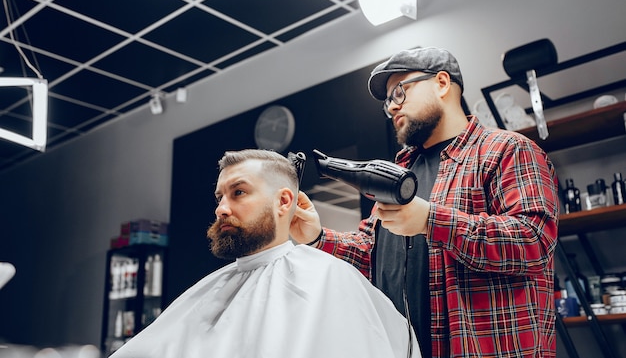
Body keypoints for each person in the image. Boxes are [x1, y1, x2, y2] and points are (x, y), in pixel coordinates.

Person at [290, 47, 560, 358]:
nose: (392, 108)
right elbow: (372, 254)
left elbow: (534, 241)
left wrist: (431, 220)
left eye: (399, 92)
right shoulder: (401, 173)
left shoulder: (506, 150)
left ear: (442, 83)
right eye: (387, 102)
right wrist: (317, 236)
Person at [110, 149, 420, 358]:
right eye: (219, 197)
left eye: (239, 192)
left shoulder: (328, 279)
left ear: (285, 201)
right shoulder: (210, 289)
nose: (221, 208)